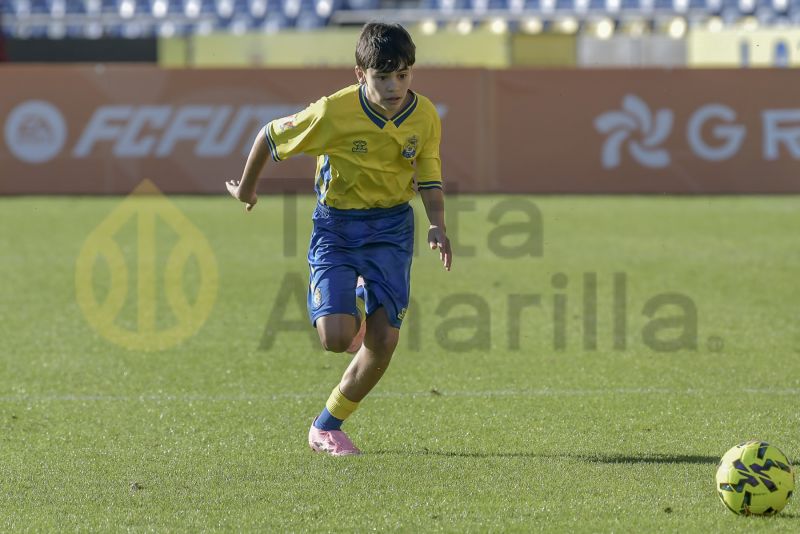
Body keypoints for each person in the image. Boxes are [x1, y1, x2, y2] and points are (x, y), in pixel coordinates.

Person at [226, 22, 451, 456]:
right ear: (359, 74)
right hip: (337, 227)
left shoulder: (423, 115)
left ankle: (326, 427)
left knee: (383, 342)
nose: (393, 86)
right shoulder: (333, 113)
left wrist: (437, 223)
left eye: (402, 75)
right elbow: (270, 136)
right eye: (382, 76)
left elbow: (429, 172)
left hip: (391, 229)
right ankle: (359, 295)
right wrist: (247, 189)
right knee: (334, 338)